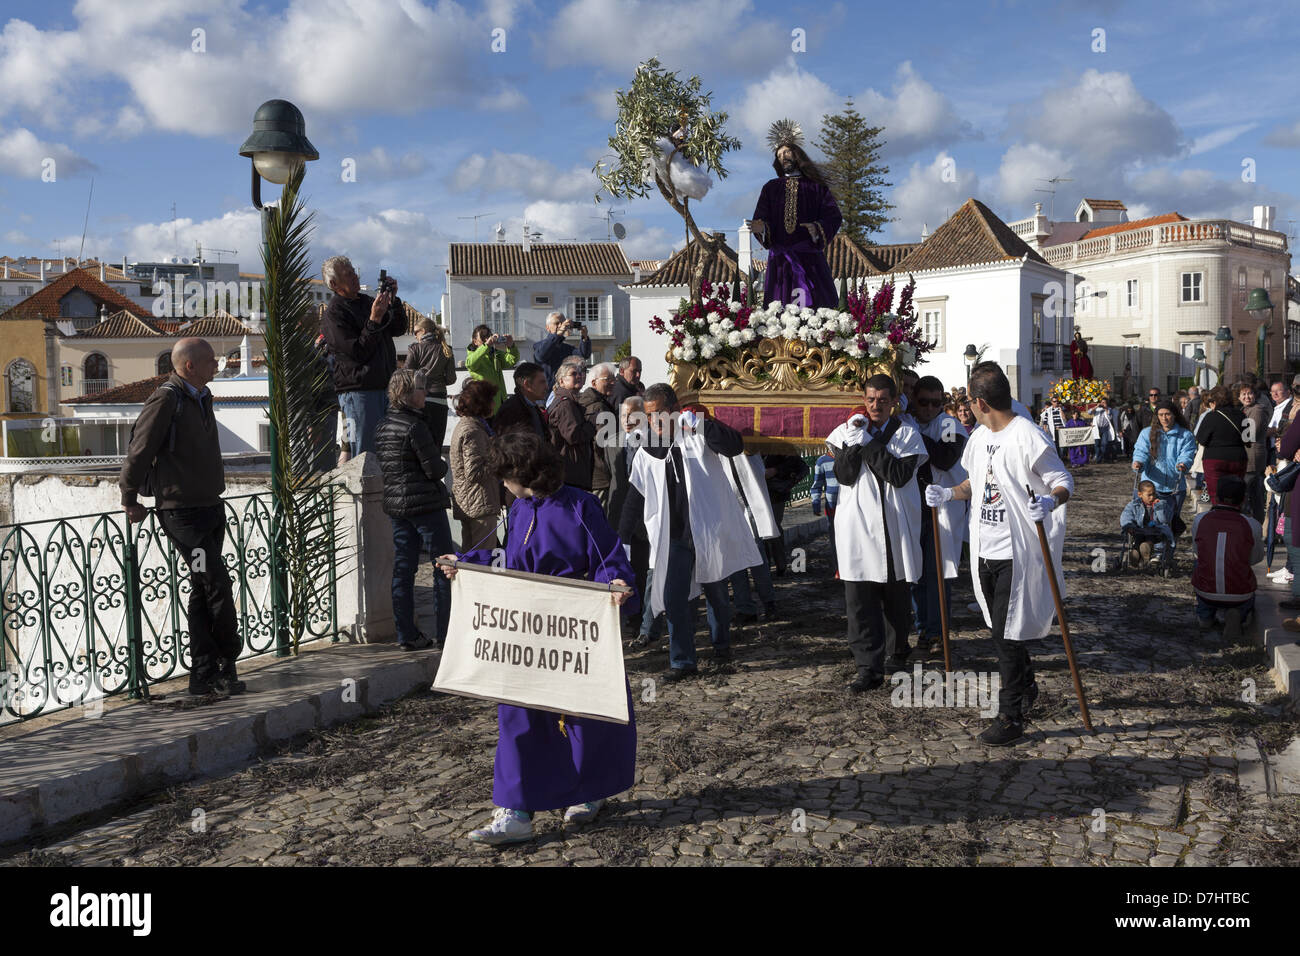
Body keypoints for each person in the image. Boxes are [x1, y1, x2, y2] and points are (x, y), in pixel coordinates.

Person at [441, 431, 636, 845]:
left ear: (520, 473)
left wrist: (616, 582)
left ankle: (590, 792)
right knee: (518, 716)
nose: (501, 485)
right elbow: (504, 558)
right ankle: (516, 811)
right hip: (525, 631)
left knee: (584, 716)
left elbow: (608, 558)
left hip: (573, 630)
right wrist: (465, 563)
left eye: (503, 477)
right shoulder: (518, 508)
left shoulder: (581, 505)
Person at [925, 361, 1074, 746]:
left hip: (1016, 550)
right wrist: (948, 494)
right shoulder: (978, 438)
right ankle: (1025, 685)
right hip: (983, 547)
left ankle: (1010, 715)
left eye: (969, 403)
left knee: (1005, 634)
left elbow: (1063, 480)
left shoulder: (1027, 435)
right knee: (997, 627)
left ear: (979, 402)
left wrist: (1050, 501)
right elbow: (976, 483)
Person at [120, 337, 244, 697]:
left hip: (209, 507)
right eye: (209, 360)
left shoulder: (201, 397)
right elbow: (140, 449)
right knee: (215, 583)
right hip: (181, 514)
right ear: (189, 365)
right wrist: (129, 497)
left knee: (203, 589)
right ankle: (225, 659)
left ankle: (205, 675)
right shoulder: (166, 399)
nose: (216, 366)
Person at [623, 385, 758, 680]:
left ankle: (721, 646)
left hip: (707, 531)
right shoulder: (647, 450)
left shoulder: (698, 435)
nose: (656, 421)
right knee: (674, 599)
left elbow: (734, 446)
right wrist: (622, 539)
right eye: (650, 416)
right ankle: (682, 661)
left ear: (674, 408)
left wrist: (703, 423)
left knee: (717, 594)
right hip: (673, 538)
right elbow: (634, 497)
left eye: (660, 413)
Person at [829, 374, 928, 691]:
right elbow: (844, 476)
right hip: (857, 529)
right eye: (870, 400)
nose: (875, 406)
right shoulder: (849, 431)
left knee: (894, 600)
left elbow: (898, 475)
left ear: (894, 402)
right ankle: (866, 667)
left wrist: (870, 444)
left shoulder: (908, 434)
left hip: (893, 528)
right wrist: (853, 444)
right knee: (859, 601)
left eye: (883, 401)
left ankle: (896, 653)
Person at [375, 369, 452, 651]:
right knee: (444, 566)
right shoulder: (415, 426)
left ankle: (406, 633)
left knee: (403, 569)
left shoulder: (383, 426)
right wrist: (443, 466)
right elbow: (433, 469)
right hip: (425, 505)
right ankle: (445, 632)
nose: (425, 393)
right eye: (421, 388)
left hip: (397, 506)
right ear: (408, 394)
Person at [748, 119, 842, 309]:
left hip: (809, 258)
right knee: (779, 308)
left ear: (796, 154)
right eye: (780, 154)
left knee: (817, 306)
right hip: (780, 261)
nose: (783, 156)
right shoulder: (771, 188)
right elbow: (762, 216)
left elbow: (834, 215)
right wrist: (763, 228)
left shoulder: (816, 188)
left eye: (787, 152)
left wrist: (817, 228)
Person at [319, 256, 407, 458]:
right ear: (334, 284)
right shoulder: (334, 314)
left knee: (388, 452)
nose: (354, 277)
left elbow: (398, 328)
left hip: (385, 388)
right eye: (348, 274)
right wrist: (374, 319)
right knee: (365, 455)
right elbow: (356, 352)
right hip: (360, 393)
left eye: (354, 272)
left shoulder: (367, 302)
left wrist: (393, 302)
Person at [910, 376, 968, 660]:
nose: (930, 408)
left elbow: (945, 458)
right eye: (924, 402)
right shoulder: (909, 421)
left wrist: (912, 434)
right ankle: (923, 628)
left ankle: (937, 633)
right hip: (913, 508)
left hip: (942, 509)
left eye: (937, 402)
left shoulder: (947, 424)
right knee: (915, 574)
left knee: (937, 573)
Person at [1191, 475, 1262, 641]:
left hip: (1206, 589)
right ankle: (1238, 614)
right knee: (1245, 580)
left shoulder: (1200, 519)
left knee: (1199, 563)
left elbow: (1198, 552)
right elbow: (1256, 558)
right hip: (1239, 592)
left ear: (1216, 497)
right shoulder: (1252, 524)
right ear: (1243, 499)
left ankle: (1205, 617)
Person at [725, 450, 783, 625]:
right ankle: (745, 608)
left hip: (750, 500)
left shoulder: (744, 431)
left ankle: (769, 603)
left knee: (757, 555)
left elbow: (751, 451)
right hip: (726, 501)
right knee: (734, 557)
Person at [450, 379, 502, 552]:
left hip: (472, 501)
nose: (494, 403)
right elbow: (474, 471)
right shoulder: (473, 430)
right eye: (491, 399)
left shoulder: (471, 425)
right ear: (482, 403)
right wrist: (499, 456)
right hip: (479, 502)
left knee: (471, 556)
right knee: (481, 558)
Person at [1131, 400, 1195, 524]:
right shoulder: (1146, 433)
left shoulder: (1185, 435)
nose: (1164, 418)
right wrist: (1139, 462)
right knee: (1151, 520)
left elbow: (1187, 453)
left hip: (1175, 487)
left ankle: (1169, 541)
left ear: (1174, 415)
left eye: (1167, 414)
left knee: (1171, 521)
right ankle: (1152, 542)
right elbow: (1141, 451)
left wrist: (1183, 464)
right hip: (1152, 487)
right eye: (1161, 415)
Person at [403, 317, 458, 450]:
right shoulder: (446, 349)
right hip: (440, 400)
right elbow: (451, 379)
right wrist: (439, 381)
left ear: (423, 331)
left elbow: (406, 374)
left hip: (419, 400)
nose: (414, 335)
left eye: (416, 332)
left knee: (420, 445)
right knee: (436, 444)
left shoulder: (415, 348)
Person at [1195, 385, 1247, 505]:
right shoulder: (1242, 415)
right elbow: (1249, 440)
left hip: (1214, 459)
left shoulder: (1210, 417)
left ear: (1214, 402)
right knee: (1236, 494)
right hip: (1238, 458)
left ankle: (1219, 520)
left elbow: (1201, 440)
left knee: (1216, 495)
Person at [548, 360, 595, 490]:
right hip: (570, 472)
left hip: (572, 471)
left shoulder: (571, 401)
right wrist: (592, 423)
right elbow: (573, 436)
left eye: (580, 373)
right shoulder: (565, 404)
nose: (579, 376)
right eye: (573, 374)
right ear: (561, 381)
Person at [579, 362, 619, 511]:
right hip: (600, 474)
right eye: (608, 379)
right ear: (594, 382)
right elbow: (602, 444)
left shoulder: (586, 402)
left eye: (614, 378)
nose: (613, 382)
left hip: (591, 472)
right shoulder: (599, 407)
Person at [763, 454, 808, 576]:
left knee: (773, 526)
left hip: (775, 493)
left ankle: (780, 564)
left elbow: (797, 464)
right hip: (756, 491)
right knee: (760, 530)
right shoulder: (748, 440)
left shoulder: (780, 445)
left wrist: (776, 470)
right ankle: (764, 566)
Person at [465, 324, 519, 415]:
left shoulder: (494, 354)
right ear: (475, 342)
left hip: (500, 404)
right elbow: (470, 363)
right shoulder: (473, 356)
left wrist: (511, 346)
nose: (487, 339)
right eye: (483, 337)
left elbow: (511, 361)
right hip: (485, 406)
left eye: (488, 335)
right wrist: (486, 346)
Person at [1121, 480, 1176, 568]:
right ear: (1140, 495)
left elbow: (1164, 520)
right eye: (1149, 495)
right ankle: (1135, 555)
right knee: (1138, 540)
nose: (1152, 497)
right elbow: (1126, 515)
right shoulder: (1134, 505)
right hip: (1139, 530)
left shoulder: (1162, 504)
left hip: (1156, 531)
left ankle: (1146, 549)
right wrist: (1128, 525)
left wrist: (1159, 507)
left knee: (1150, 538)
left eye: (1154, 494)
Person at [533, 312, 591, 388]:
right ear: (548, 328)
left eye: (562, 323)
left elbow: (584, 355)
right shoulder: (538, 345)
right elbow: (541, 355)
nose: (560, 326)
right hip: (545, 392)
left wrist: (584, 337)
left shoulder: (567, 348)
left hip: (563, 391)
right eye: (556, 323)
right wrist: (558, 334)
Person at [493, 362, 549, 439]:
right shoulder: (511, 411)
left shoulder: (532, 406)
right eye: (542, 382)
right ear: (527, 384)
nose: (546, 387)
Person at [1238, 383, 1268, 521]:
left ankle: (1255, 522)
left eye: (1249, 393)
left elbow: (1250, 433)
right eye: (1243, 394)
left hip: (1253, 455)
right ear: (1239, 397)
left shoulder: (1257, 410)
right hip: (1247, 454)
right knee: (1254, 493)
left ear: (1255, 395)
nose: (1247, 397)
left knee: (1249, 491)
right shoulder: (1244, 409)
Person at [810, 445, 840, 576]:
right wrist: (815, 502)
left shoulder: (851, 457)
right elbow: (817, 485)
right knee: (835, 539)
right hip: (832, 507)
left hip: (852, 506)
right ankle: (839, 568)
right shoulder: (822, 461)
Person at [1093, 397, 1117, 462]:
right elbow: (1089, 412)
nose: (1103, 404)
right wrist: (1096, 407)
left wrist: (1106, 408)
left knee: (1104, 443)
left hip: (1105, 429)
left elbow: (1109, 417)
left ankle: (1103, 456)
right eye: (1102, 402)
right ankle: (1098, 458)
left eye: (1104, 403)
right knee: (1097, 444)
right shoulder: (1097, 409)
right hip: (1097, 428)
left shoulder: (1109, 409)